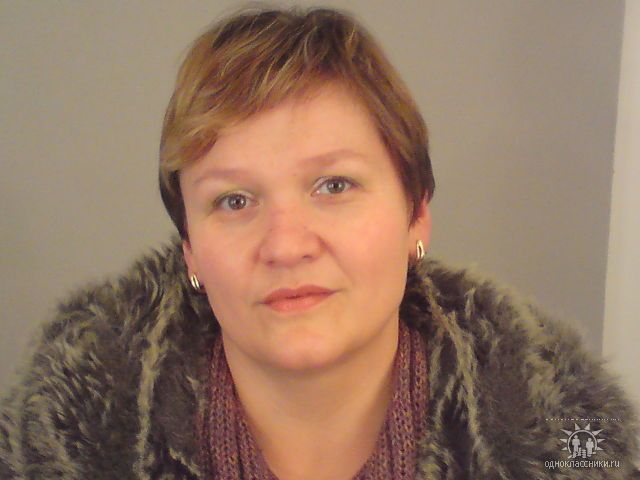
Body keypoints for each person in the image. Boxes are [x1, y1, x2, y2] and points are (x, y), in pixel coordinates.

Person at [0, 6, 638, 480]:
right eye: (234, 200)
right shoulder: (52, 446)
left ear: (416, 216)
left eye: (334, 185)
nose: (285, 245)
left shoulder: (573, 443)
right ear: (189, 249)